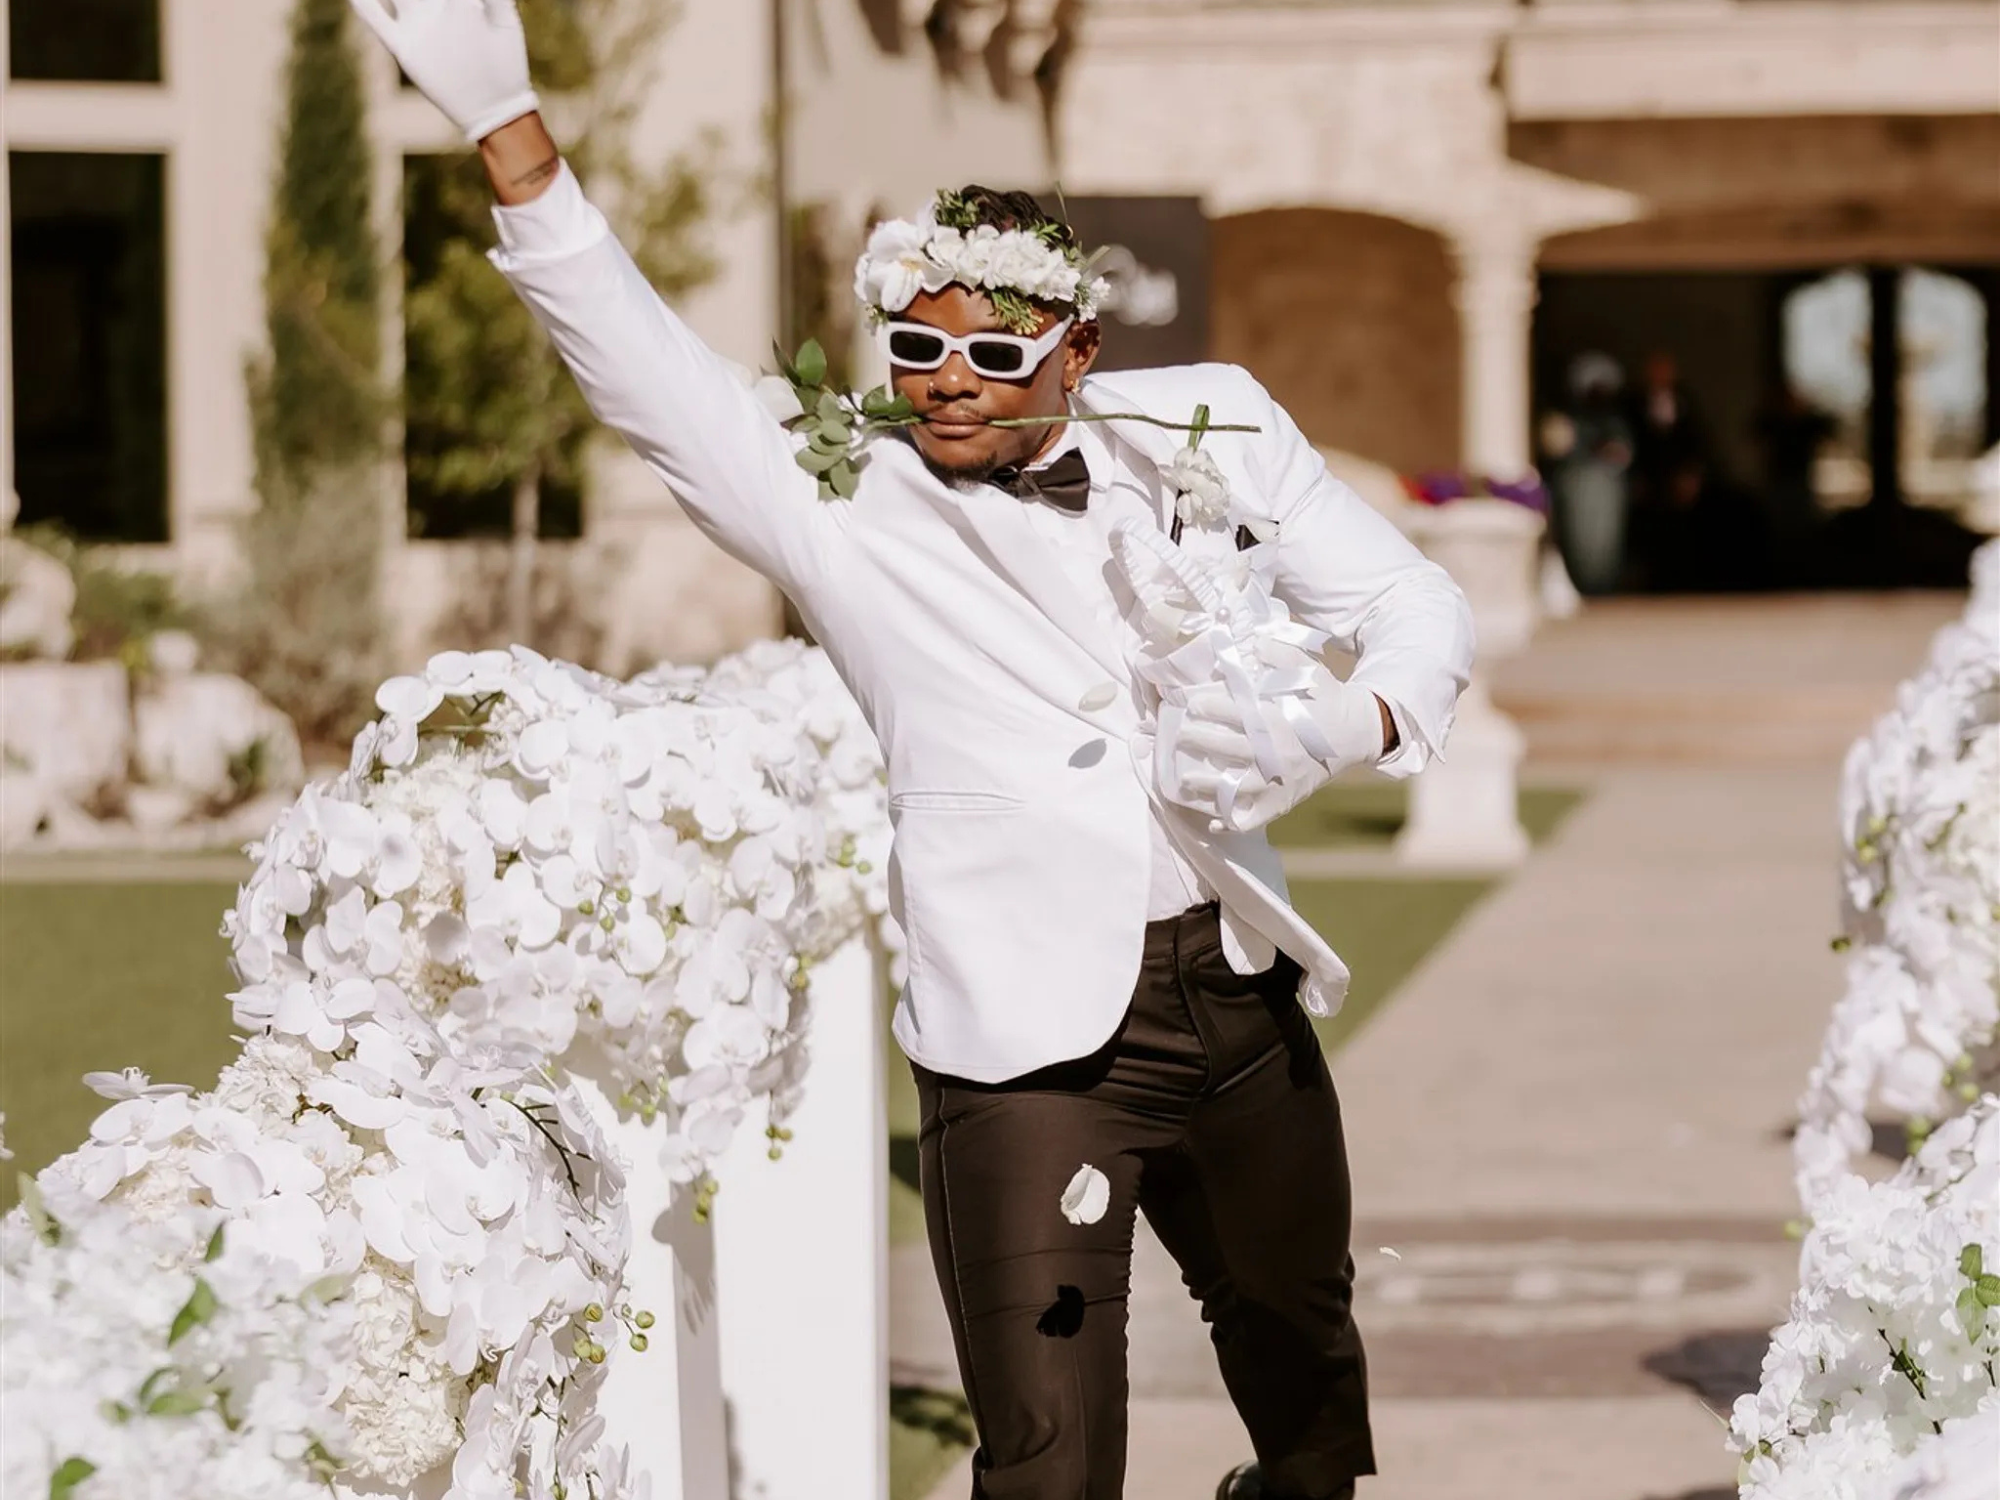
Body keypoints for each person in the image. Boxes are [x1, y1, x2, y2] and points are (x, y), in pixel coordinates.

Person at [350, 5, 1474, 1496]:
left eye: (992, 349)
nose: (945, 378)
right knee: (1048, 1465)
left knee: (1315, 1409)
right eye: (917, 345)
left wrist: (1335, 725)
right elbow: (636, 362)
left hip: (1239, 1000)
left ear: (1076, 349)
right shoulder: (836, 491)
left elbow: (1415, 604)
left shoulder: (1213, 430)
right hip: (1024, 1051)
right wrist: (513, 135)